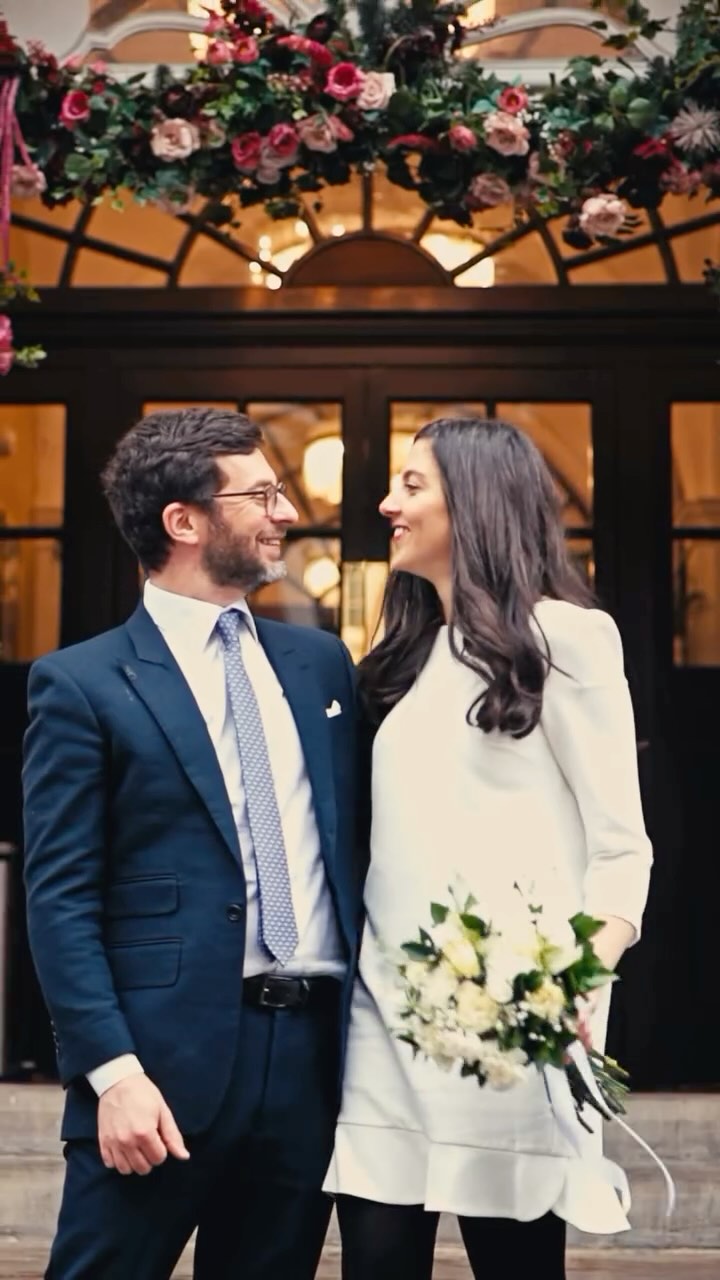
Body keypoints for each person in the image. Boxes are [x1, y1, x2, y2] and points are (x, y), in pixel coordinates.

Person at [23, 406, 362, 1280]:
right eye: (261, 494)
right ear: (185, 521)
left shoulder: (319, 666)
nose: (284, 512)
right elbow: (60, 898)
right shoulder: (81, 683)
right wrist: (111, 1072)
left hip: (309, 1064)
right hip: (156, 1071)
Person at [324, 417, 653, 1280]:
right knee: (378, 1258)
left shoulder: (567, 640)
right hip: (382, 1026)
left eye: (413, 485)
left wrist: (572, 986)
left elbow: (623, 849)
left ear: (474, 502)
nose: (388, 503)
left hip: (508, 1033)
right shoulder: (398, 657)